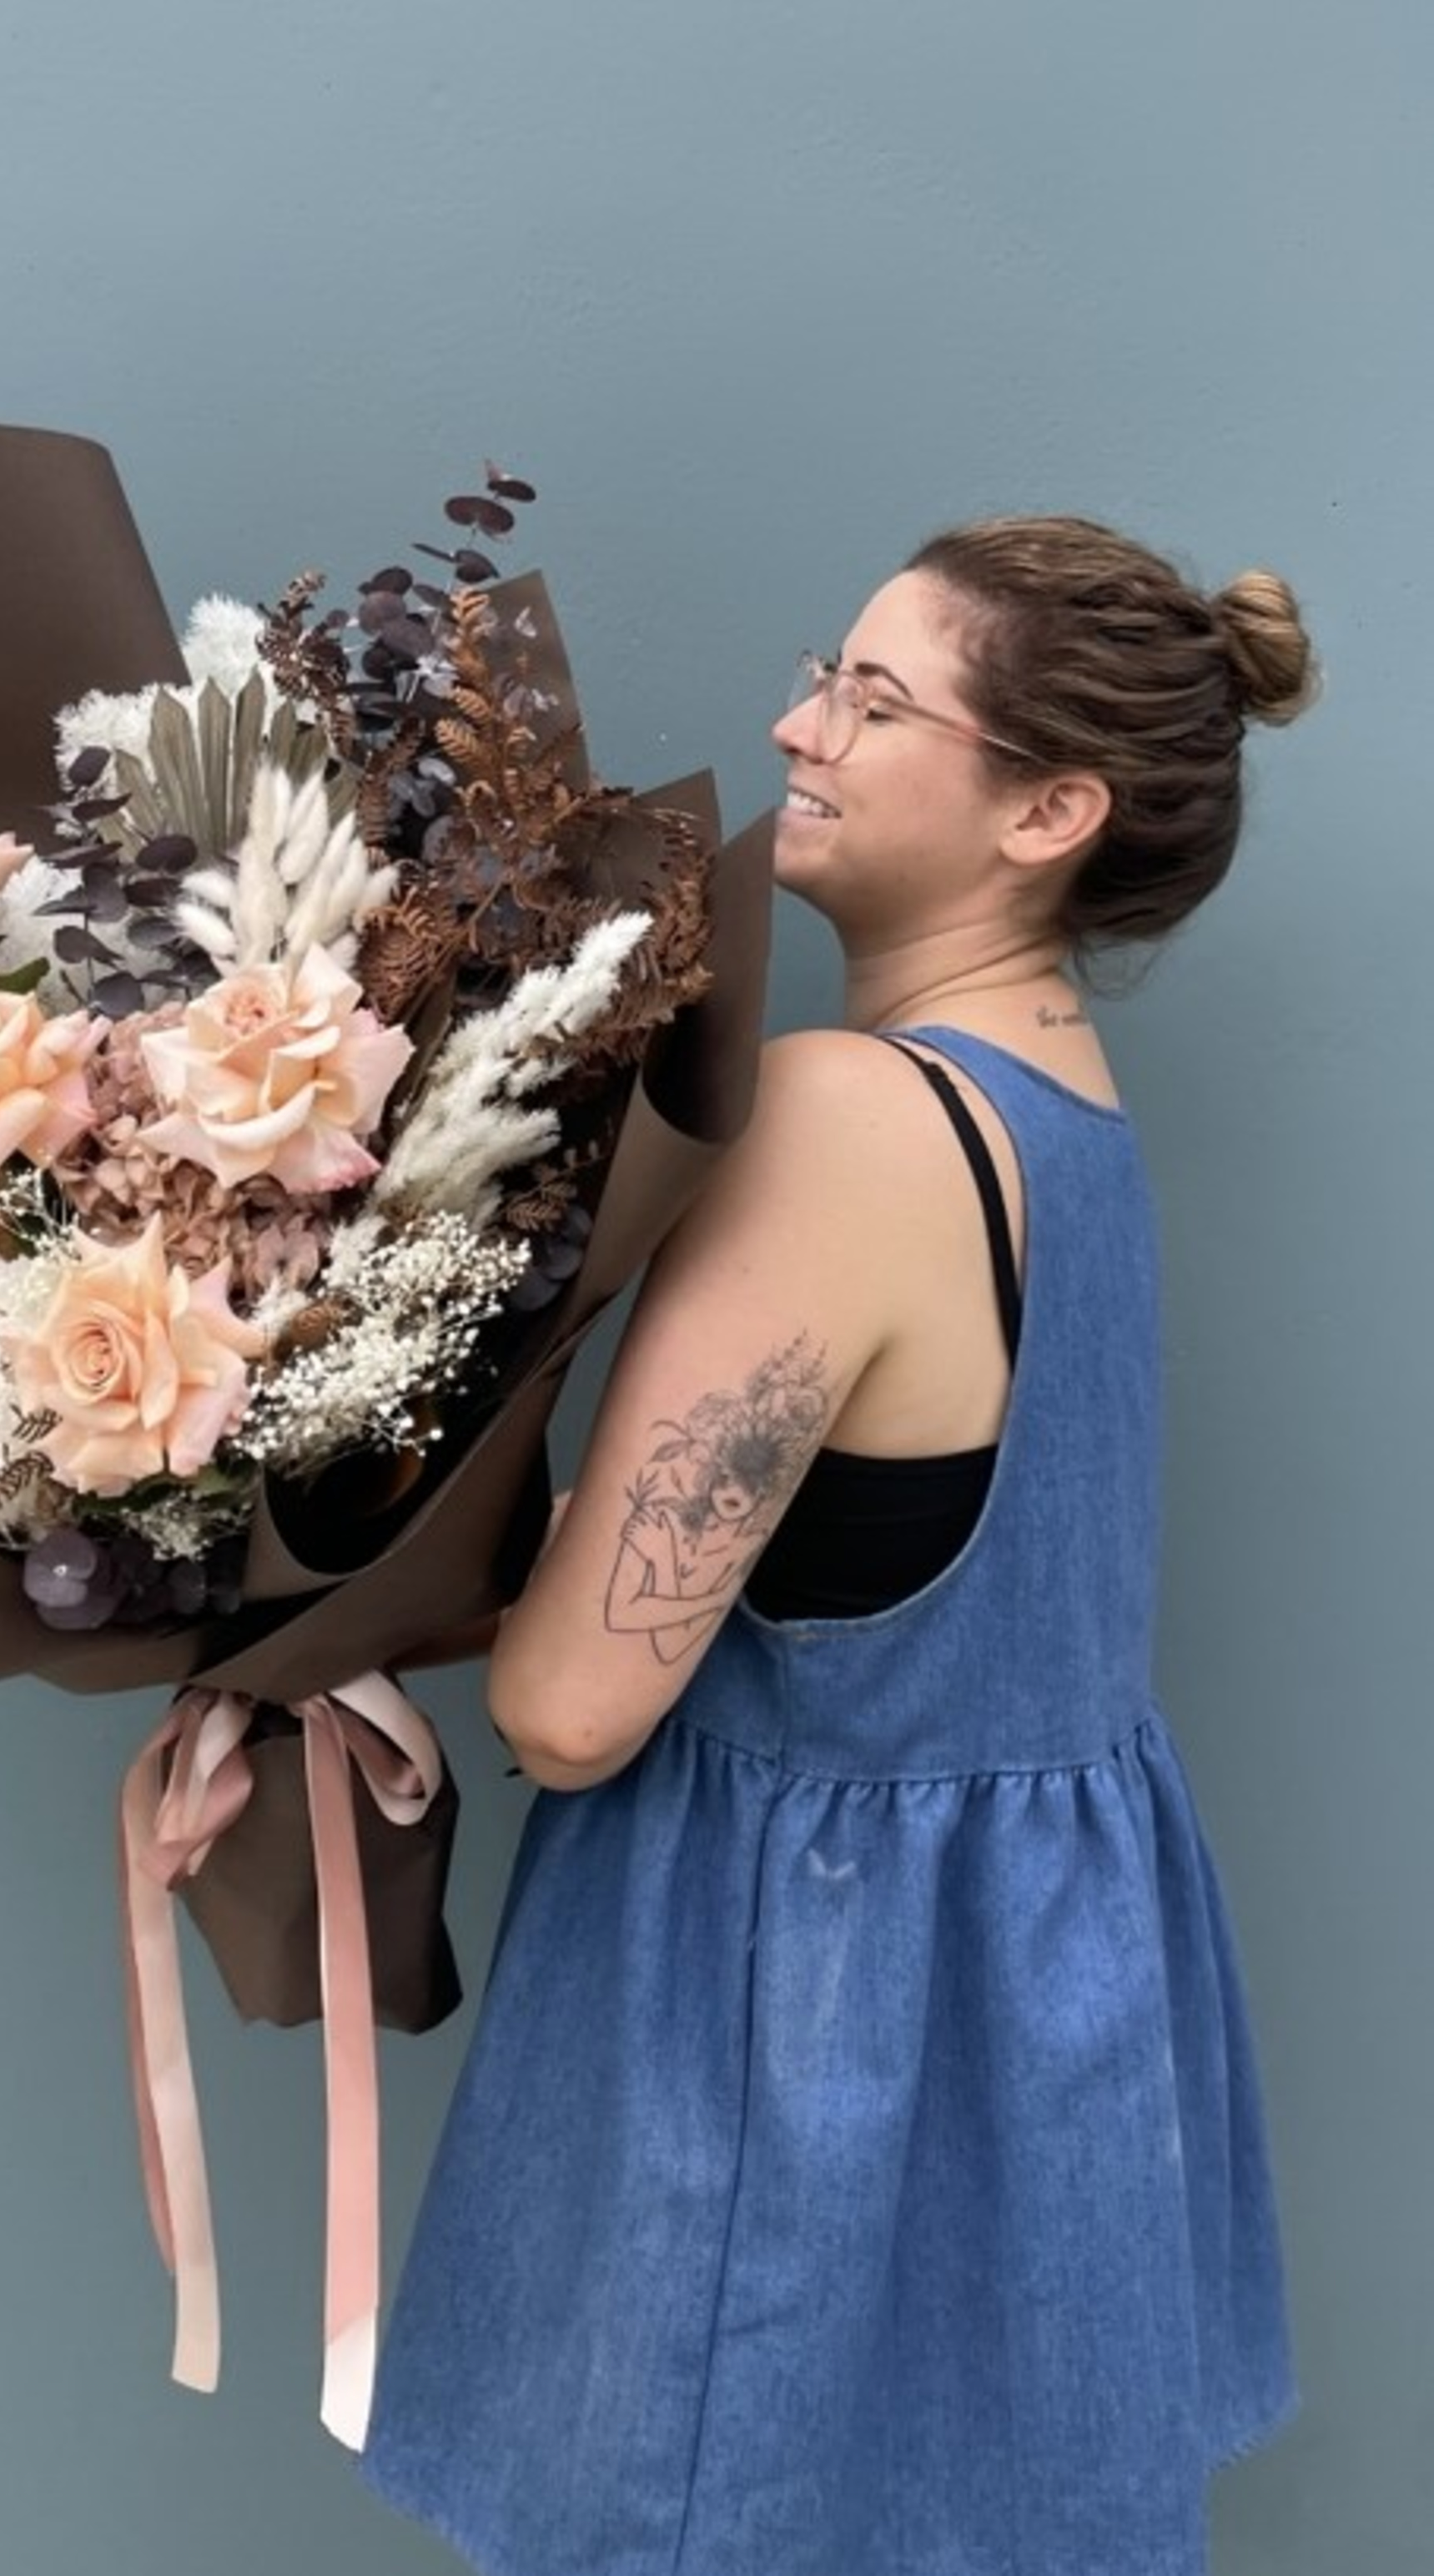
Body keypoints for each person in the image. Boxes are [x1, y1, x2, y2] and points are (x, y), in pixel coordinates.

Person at [360, 517, 1316, 2575]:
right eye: (827, 670)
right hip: (1045, 2020)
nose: (799, 722)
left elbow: (573, 1704)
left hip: (803, 2030)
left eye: (876, 702)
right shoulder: (1070, 1113)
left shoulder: (848, 1121)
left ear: (1050, 807)